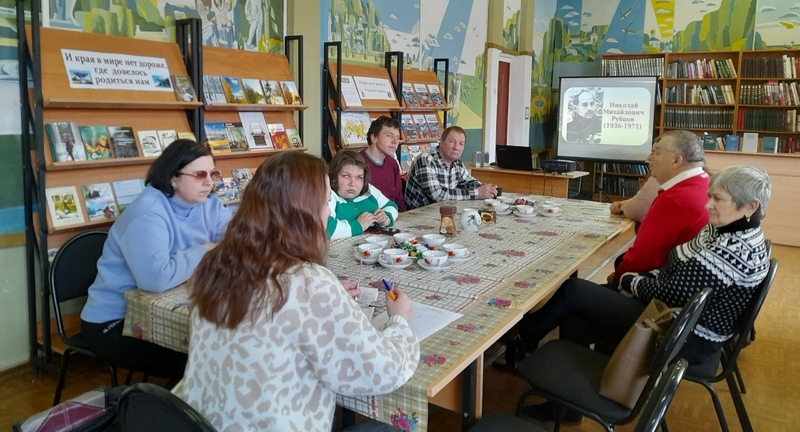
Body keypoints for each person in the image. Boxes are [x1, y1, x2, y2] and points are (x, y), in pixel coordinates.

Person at [182, 151, 420, 431]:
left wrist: (327, 297)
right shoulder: (308, 282)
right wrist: (399, 321)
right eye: (325, 202)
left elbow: (277, 312)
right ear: (303, 211)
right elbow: (382, 371)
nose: (329, 211)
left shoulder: (216, 264)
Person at [518, 165, 772, 421]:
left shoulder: (732, 249)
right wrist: (643, 281)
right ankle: (568, 405)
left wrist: (630, 282)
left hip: (684, 336)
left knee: (574, 290)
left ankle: (524, 335)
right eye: (710, 196)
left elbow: (674, 292)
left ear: (749, 207)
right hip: (677, 316)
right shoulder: (726, 230)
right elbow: (675, 265)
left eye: (718, 199)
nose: (708, 205)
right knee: (578, 311)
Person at [80, 139, 231, 386]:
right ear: (173, 178)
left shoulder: (209, 204)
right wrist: (204, 250)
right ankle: (168, 407)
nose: (209, 182)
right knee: (201, 358)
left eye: (212, 173)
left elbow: (235, 242)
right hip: (114, 321)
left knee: (221, 346)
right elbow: (156, 279)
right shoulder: (148, 212)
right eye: (199, 175)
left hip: (162, 306)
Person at [610, 130, 710, 284]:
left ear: (676, 161)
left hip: (661, 283)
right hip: (686, 277)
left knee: (574, 289)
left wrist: (617, 279)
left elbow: (642, 258)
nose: (649, 158)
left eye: (657, 153)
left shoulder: (674, 199)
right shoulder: (707, 182)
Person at [404, 126, 498, 209]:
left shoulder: (457, 163)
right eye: (452, 141)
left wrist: (486, 189)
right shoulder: (426, 160)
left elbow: (470, 182)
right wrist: (477, 193)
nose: (456, 147)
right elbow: (438, 195)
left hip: (443, 214)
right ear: (441, 142)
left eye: (461, 143)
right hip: (417, 217)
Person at [327, 150, 399, 240]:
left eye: (359, 177)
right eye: (346, 176)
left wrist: (386, 218)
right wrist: (358, 225)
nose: (353, 183)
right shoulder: (329, 195)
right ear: (334, 176)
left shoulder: (368, 189)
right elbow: (327, 230)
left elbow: (392, 206)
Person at [360, 116, 407, 212]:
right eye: (389, 135)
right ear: (374, 137)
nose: (395, 141)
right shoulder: (357, 163)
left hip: (392, 216)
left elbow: (399, 200)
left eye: (397, 138)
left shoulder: (393, 164)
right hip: (368, 218)